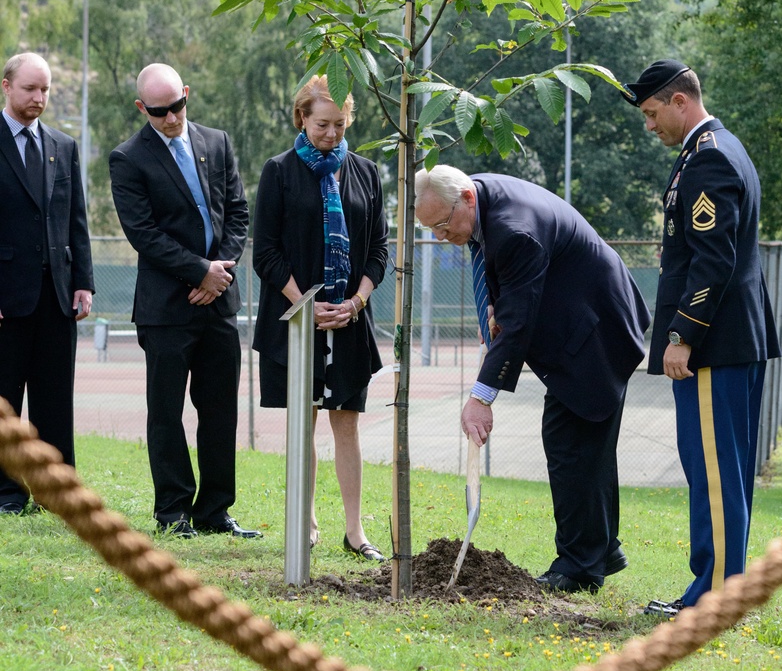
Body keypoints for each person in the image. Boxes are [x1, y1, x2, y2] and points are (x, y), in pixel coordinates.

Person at [415, 166, 650, 594]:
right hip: (583, 321)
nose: (439, 236)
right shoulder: (481, 199)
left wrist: (480, 397)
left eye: (443, 225)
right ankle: (600, 549)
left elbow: (518, 324)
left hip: (596, 330)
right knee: (583, 445)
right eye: (430, 228)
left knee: (571, 442)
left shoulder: (513, 228)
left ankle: (579, 567)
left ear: (466, 199)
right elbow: (507, 288)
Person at [621, 60, 780, 617]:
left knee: (714, 472)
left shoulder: (708, 155)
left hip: (715, 344)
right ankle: (722, 590)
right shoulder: (718, 146)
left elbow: (714, 259)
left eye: (651, 113)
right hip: (733, 340)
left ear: (680, 101)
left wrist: (683, 334)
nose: (649, 125)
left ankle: (713, 597)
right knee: (723, 473)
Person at [108, 63, 260, 541]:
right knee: (167, 412)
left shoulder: (216, 142)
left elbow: (237, 211)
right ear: (142, 108)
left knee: (220, 411)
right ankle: (172, 511)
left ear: (186, 95)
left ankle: (214, 511)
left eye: (177, 106)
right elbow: (143, 234)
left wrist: (221, 270)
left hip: (219, 302)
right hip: (167, 309)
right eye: (159, 111)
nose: (171, 118)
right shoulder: (128, 158)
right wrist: (199, 270)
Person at [253, 78, 389, 559]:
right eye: (322, 124)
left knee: (347, 425)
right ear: (302, 119)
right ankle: (306, 523)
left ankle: (355, 533)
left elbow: (378, 251)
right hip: (297, 322)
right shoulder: (279, 172)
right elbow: (265, 254)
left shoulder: (368, 173)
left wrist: (355, 303)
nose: (332, 133)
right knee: (304, 424)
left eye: (340, 124)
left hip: (349, 323)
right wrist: (305, 306)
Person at [0, 53, 94, 513]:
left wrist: (85, 283)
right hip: (6, 297)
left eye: (46, 90)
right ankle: (7, 493)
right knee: (5, 401)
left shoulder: (63, 146)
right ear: (6, 87)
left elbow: (76, 220)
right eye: (30, 89)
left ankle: (57, 491)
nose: (39, 98)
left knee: (55, 397)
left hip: (57, 295)